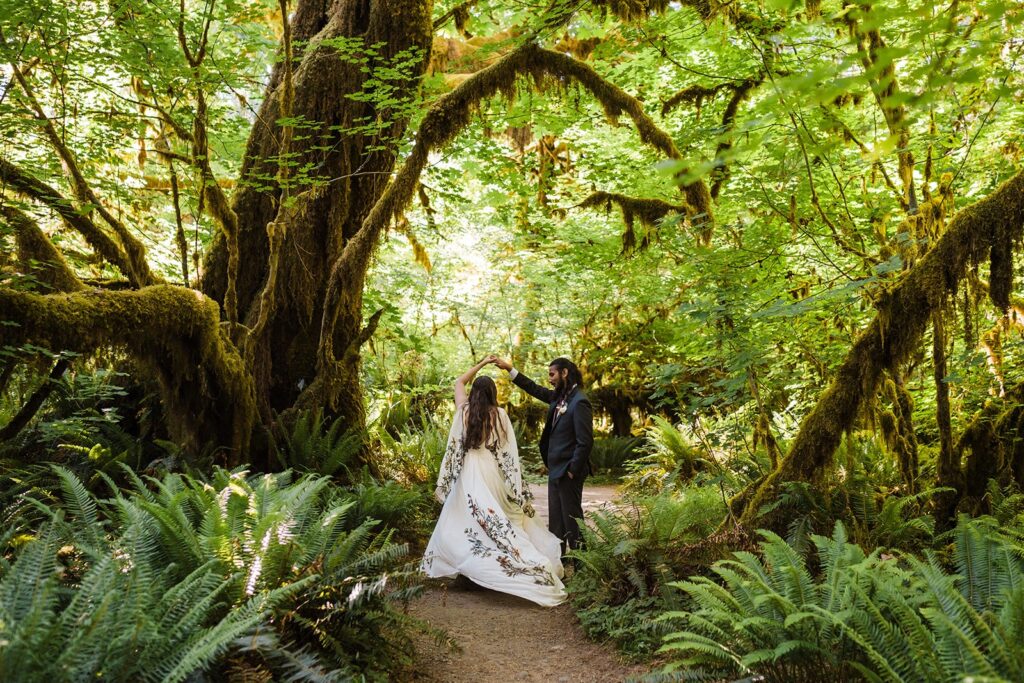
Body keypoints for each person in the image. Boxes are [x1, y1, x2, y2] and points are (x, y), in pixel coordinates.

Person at [421, 357, 566, 606]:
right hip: (491, 472)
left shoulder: (463, 411)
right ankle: (478, 570)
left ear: (474, 392)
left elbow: (458, 381)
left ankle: (469, 571)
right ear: (492, 393)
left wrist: (481, 364)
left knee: (464, 518)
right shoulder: (499, 415)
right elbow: (509, 454)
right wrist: (515, 485)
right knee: (494, 519)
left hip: (467, 471)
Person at [489, 356, 593, 563]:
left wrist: (572, 469)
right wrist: (510, 369)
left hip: (568, 472)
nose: (549, 379)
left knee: (572, 521)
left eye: (552, 374)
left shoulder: (579, 401)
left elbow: (585, 441)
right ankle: (558, 564)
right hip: (555, 469)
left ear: (564, 373)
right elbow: (533, 388)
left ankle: (585, 566)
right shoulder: (559, 398)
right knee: (556, 521)